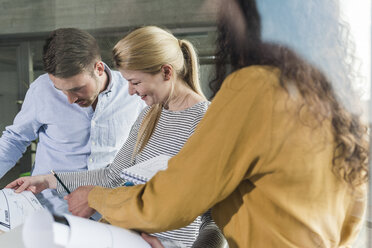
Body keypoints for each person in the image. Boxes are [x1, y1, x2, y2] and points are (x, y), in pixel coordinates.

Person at [38, 0, 367, 247]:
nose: (212, 7)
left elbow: (174, 201)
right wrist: (54, 181)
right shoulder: (334, 104)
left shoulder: (254, 89)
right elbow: (350, 217)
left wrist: (96, 197)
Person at [7, 26, 226, 248]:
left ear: (166, 73)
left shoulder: (209, 123)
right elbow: (113, 175)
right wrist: (47, 180)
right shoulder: (149, 115)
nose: (130, 91)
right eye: (128, 81)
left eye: (136, 82)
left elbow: (218, 217)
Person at [0, 28, 145, 215]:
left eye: (77, 89)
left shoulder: (133, 93)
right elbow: (14, 139)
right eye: (60, 90)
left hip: (107, 210)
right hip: (50, 209)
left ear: (99, 69)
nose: (70, 99)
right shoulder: (41, 89)